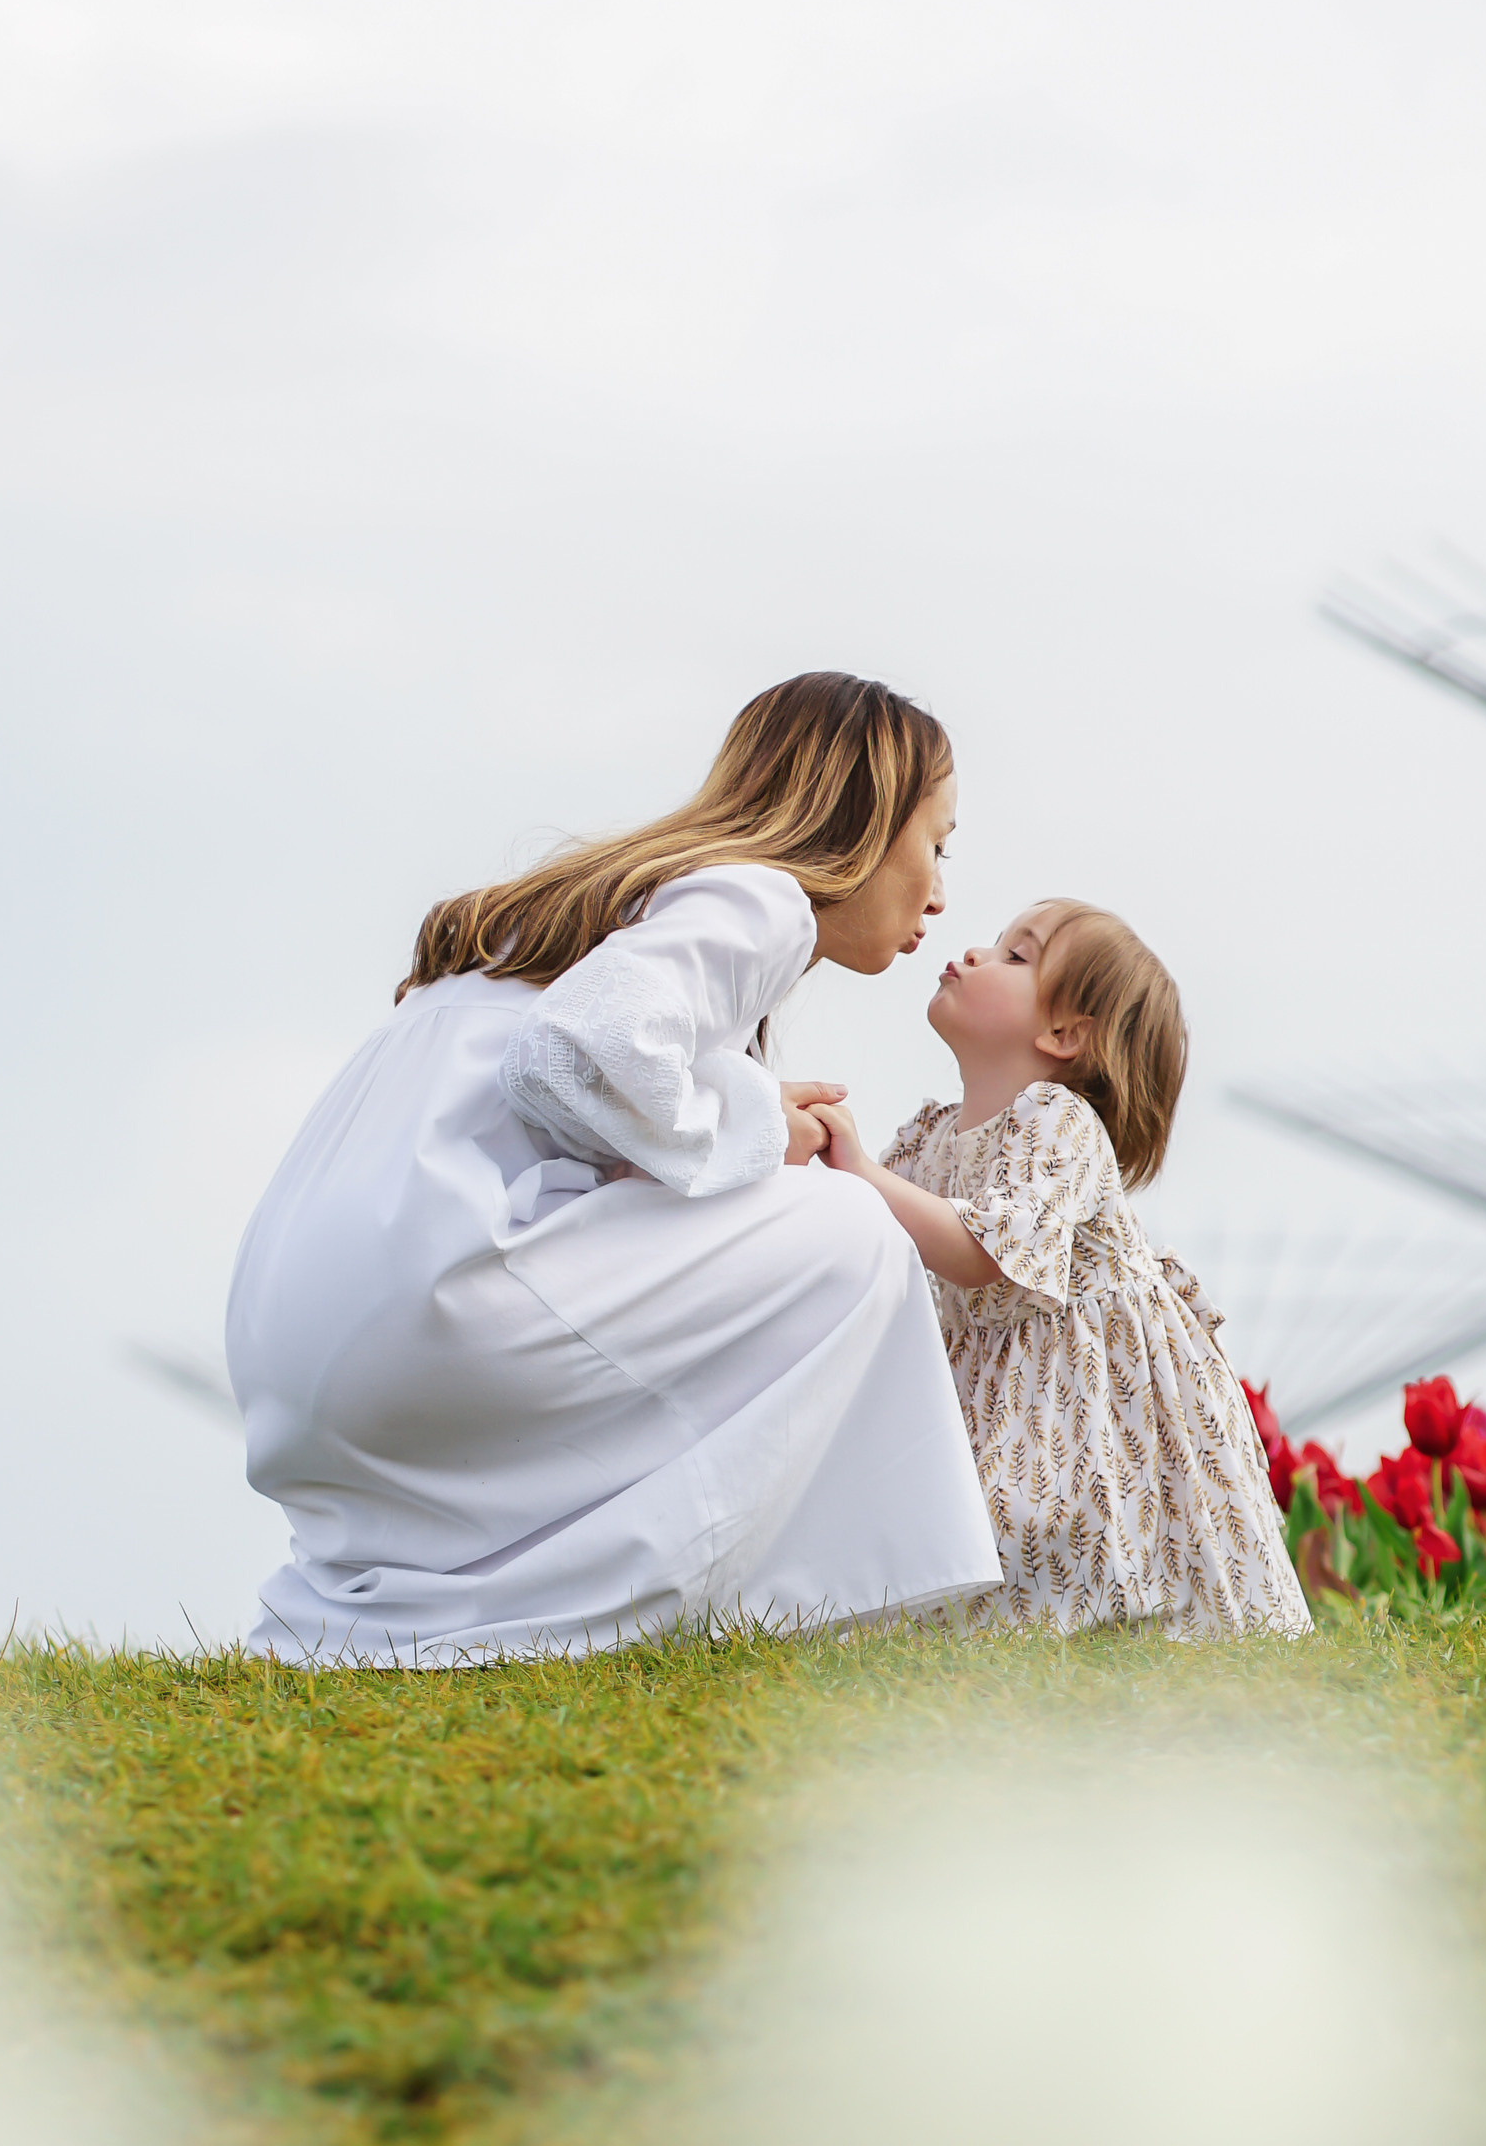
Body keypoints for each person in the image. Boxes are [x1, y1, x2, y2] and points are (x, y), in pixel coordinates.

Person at [228, 676, 1003, 1662]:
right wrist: (757, 1122)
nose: (939, 893)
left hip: (302, 1337)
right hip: (432, 1315)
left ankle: (396, 1622)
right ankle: (645, 1612)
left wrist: (737, 1103)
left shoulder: (610, 904)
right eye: (936, 845)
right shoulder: (760, 899)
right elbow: (572, 1056)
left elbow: (553, 1082)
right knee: (854, 1231)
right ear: (864, 822)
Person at [812, 901, 1310, 1636]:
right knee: (967, 1530)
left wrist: (857, 1170)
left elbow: (984, 1254)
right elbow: (866, 1226)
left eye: (1016, 956)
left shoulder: (1058, 1119)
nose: (976, 953)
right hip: (995, 1379)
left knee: (1072, 1527)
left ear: (1065, 1034)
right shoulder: (932, 1135)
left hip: (1084, 1390)